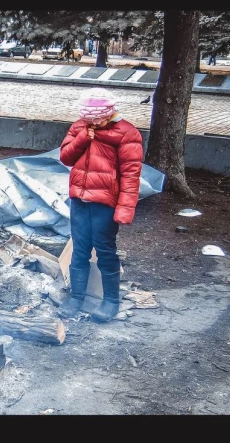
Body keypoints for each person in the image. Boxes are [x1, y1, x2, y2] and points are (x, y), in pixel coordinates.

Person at [57, 87, 143, 323]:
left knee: (105, 251)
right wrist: (84, 137)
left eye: (98, 119)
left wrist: (124, 209)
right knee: (79, 250)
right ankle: (76, 298)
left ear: (110, 113)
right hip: (79, 201)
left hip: (105, 204)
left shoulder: (127, 133)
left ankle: (111, 302)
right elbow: (65, 157)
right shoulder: (79, 127)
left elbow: (131, 176)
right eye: (89, 119)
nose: (94, 123)